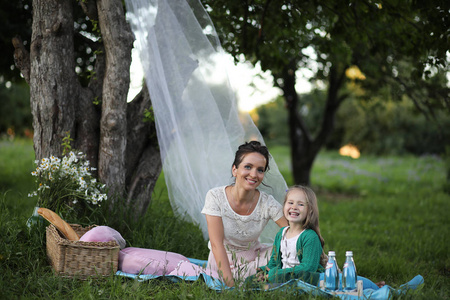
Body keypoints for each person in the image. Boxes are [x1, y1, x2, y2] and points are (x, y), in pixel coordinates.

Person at [201, 141, 288, 287]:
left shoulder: (267, 202)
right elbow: (216, 245)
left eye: (260, 170)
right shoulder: (215, 196)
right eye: (248, 167)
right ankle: (256, 278)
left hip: (256, 258)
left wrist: (318, 253)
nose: (254, 174)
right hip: (223, 264)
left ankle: (261, 276)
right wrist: (230, 286)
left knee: (285, 251)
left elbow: (293, 233)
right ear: (235, 169)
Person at [249, 185, 326, 286]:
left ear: (310, 210)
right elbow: (274, 262)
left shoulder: (310, 236)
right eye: (290, 203)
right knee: (250, 280)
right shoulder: (281, 234)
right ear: (284, 206)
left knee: (275, 278)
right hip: (283, 275)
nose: (294, 207)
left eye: (301, 204)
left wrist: (277, 274)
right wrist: (264, 271)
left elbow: (308, 268)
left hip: (302, 278)